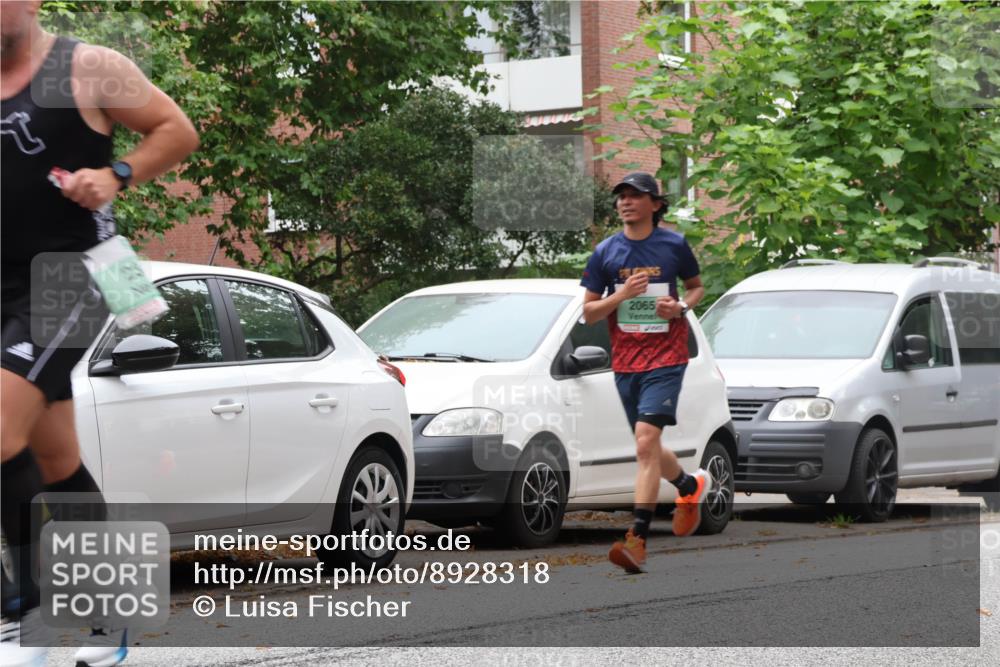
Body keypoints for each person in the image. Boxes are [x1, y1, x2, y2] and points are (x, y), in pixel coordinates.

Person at [1, 1, 199, 664]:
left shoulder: (86, 68)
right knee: (52, 455)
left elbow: (176, 129)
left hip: (70, 275)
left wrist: (117, 174)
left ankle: (28, 615)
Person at [580, 172, 711, 574]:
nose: (626, 202)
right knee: (648, 447)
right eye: (621, 196)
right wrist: (621, 295)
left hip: (667, 357)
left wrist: (681, 308)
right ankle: (689, 486)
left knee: (644, 442)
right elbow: (588, 314)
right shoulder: (606, 252)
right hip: (626, 361)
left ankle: (636, 540)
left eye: (636, 196)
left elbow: (696, 287)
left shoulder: (672, 245)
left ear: (655, 204)